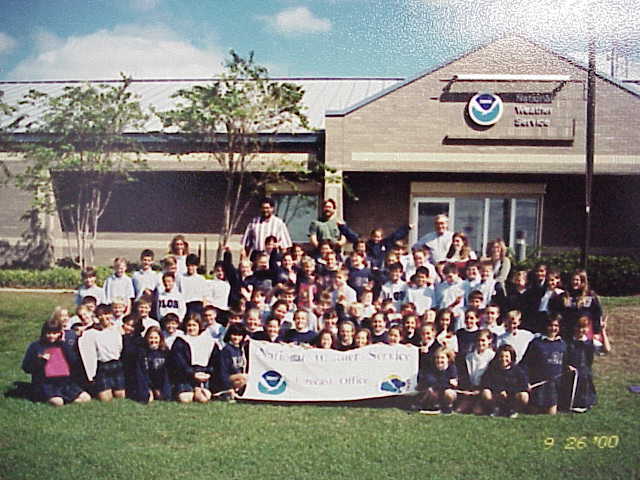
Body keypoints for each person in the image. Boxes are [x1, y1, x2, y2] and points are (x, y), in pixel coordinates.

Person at [22, 318, 91, 406]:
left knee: (86, 398)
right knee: (58, 402)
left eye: (55, 333)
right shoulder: (36, 346)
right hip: (46, 383)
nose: (51, 336)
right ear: (43, 333)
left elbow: (73, 363)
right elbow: (26, 367)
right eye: (49, 333)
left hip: (64, 382)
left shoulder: (63, 345)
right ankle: (46, 397)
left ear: (60, 333)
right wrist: (39, 360)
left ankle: (66, 399)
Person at [78, 304, 125, 402]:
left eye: (108, 314)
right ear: (98, 317)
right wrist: (91, 375)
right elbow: (88, 354)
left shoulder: (117, 330)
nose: (106, 317)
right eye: (103, 315)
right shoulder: (91, 333)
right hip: (103, 366)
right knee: (106, 399)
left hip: (116, 364)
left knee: (120, 396)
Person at [521, 315, 567, 415]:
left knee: (551, 414)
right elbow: (525, 364)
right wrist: (526, 381)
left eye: (556, 326)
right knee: (533, 412)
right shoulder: (536, 343)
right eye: (550, 325)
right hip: (538, 384)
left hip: (554, 385)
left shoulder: (562, 344)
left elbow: (565, 362)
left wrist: (569, 367)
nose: (553, 328)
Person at [169, 313, 217, 404]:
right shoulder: (180, 341)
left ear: (199, 326)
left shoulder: (208, 341)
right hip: (186, 376)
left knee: (203, 398)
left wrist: (208, 373)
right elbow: (179, 363)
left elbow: (214, 361)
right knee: (185, 399)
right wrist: (193, 374)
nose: (191, 328)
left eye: (194, 325)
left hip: (203, 374)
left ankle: (198, 389)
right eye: (189, 325)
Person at [480, 344, 529, 417]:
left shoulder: (518, 371)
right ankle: (495, 409)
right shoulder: (492, 369)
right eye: (501, 356)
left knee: (524, 396)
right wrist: (499, 391)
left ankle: (513, 411)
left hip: (512, 397)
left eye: (507, 356)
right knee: (485, 393)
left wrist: (509, 392)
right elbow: (485, 383)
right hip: (497, 396)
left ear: (511, 358)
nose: (503, 359)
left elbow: (524, 386)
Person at [457, 329, 495, 414]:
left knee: (477, 411)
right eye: (478, 340)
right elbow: (465, 376)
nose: (480, 343)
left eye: (483, 340)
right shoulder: (469, 357)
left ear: (489, 341)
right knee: (459, 410)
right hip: (470, 389)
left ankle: (489, 408)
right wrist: (467, 389)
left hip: (484, 389)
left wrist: (480, 389)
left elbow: (492, 377)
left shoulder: (493, 357)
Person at [417, 346, 458, 415]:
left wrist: (440, 382)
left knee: (449, 393)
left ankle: (447, 407)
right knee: (429, 390)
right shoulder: (431, 368)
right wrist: (446, 382)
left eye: (442, 358)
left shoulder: (452, 368)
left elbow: (454, 384)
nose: (439, 360)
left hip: (445, 392)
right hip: (435, 391)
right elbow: (428, 380)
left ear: (448, 359)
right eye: (437, 358)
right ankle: (430, 406)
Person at [216, 323, 248, 400]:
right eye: (234, 334)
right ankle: (226, 390)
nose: (236, 337)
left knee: (244, 378)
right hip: (228, 378)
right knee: (245, 377)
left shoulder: (241, 350)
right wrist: (228, 386)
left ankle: (231, 393)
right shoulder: (226, 350)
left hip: (238, 380)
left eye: (239, 335)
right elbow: (222, 371)